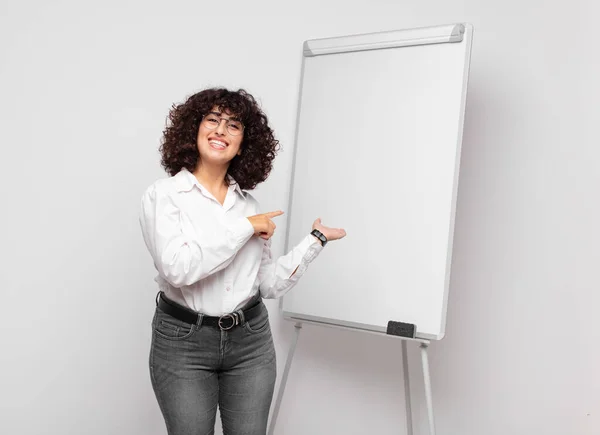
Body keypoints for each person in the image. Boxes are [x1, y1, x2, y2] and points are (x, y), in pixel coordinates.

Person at [138, 87, 346, 435]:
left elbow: (266, 285)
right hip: (183, 342)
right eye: (213, 120)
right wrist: (244, 228)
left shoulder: (248, 205)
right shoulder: (164, 196)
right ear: (194, 129)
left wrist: (315, 241)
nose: (221, 130)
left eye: (233, 125)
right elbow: (178, 268)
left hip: (250, 342)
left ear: (244, 143)